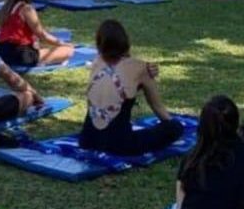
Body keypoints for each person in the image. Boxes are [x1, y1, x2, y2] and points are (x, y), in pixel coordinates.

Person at [79, 19, 184, 155]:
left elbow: (118, 81)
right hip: (121, 145)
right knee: (175, 128)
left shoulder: (96, 63)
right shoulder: (141, 68)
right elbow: (158, 108)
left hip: (87, 140)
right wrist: (172, 125)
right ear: (125, 42)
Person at [0, 0, 74, 67]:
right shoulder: (26, 9)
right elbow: (42, 35)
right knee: (68, 51)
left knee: (40, 46)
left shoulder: (5, 8)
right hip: (21, 55)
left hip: (2, 53)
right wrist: (63, 44)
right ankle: (42, 61)